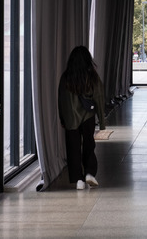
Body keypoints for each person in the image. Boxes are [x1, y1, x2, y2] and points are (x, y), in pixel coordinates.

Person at [58, 46, 106, 190]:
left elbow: (60, 99)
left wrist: (62, 119)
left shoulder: (66, 77)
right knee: (89, 144)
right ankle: (90, 173)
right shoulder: (92, 76)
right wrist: (102, 122)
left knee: (73, 148)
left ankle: (78, 179)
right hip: (87, 116)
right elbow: (99, 97)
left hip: (70, 118)